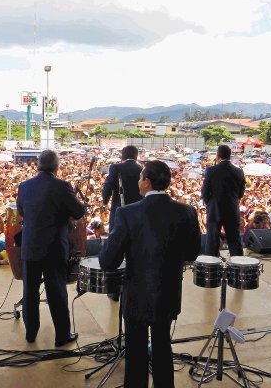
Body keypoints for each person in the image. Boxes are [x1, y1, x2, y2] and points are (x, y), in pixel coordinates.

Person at [99, 160, 200, 388]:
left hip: (137, 294)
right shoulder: (186, 212)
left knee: (135, 352)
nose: (138, 182)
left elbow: (108, 261)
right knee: (163, 345)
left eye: (140, 178)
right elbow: (192, 253)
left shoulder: (127, 214)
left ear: (146, 181)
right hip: (169, 292)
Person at [17, 150, 85, 346]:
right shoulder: (62, 186)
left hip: (30, 246)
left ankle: (30, 334)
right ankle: (62, 336)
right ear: (57, 166)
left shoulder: (25, 186)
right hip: (54, 248)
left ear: (38, 165)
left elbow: (22, 211)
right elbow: (78, 212)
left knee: (29, 291)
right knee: (56, 291)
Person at [201, 144, 246, 257]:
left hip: (215, 209)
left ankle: (211, 270)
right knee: (234, 241)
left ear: (217, 156)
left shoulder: (211, 170)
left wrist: (210, 204)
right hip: (232, 208)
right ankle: (238, 268)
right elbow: (241, 193)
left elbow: (205, 192)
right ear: (230, 156)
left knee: (212, 241)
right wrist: (232, 201)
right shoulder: (238, 172)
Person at [101, 145, 143, 233]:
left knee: (116, 236)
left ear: (122, 156)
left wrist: (105, 201)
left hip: (119, 208)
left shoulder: (115, 167)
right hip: (137, 210)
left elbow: (108, 185)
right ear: (136, 156)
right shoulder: (141, 169)